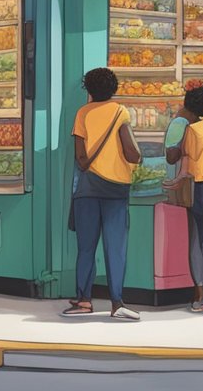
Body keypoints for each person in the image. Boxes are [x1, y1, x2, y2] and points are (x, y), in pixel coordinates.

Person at [63, 67, 142, 321]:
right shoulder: (120, 112)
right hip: (116, 189)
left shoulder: (82, 113)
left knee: (86, 248)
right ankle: (117, 303)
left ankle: (84, 301)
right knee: (115, 248)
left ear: (89, 89)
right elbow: (133, 154)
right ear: (114, 88)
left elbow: (81, 157)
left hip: (87, 189)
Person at [165, 85, 203, 314]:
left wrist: (175, 180)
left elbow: (180, 161)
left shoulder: (191, 130)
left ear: (190, 107)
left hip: (198, 189)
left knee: (199, 242)